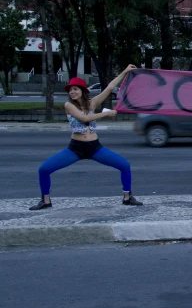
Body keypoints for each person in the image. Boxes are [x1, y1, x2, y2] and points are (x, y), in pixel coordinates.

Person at [29, 65, 143, 210]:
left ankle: (127, 197)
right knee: (44, 169)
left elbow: (109, 87)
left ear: (83, 91)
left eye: (75, 89)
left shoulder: (92, 103)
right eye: (70, 90)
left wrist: (125, 71)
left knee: (124, 165)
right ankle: (45, 201)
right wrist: (106, 114)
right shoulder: (68, 106)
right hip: (76, 148)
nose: (72, 92)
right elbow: (83, 118)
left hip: (94, 147)